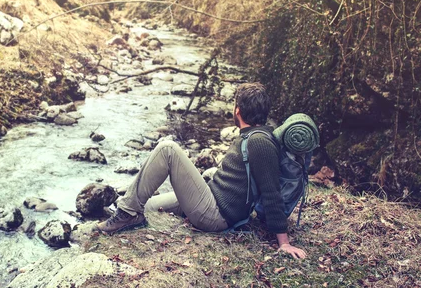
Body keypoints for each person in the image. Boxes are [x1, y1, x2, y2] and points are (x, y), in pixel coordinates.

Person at [96, 82, 307, 259]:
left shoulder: (259, 142)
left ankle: (126, 214)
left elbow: (272, 194)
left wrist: (284, 243)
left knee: (168, 149)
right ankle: (131, 211)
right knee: (149, 206)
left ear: (238, 111)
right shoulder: (253, 135)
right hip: (210, 197)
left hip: (215, 215)